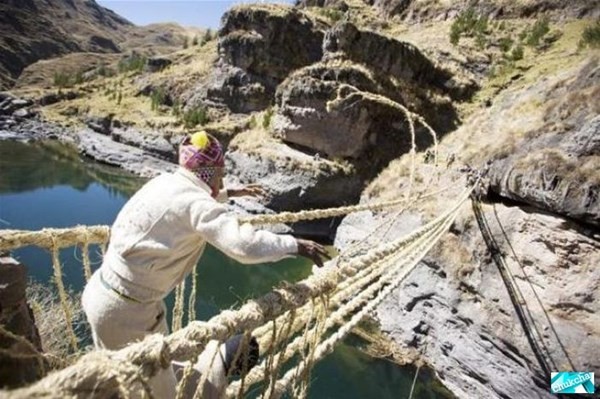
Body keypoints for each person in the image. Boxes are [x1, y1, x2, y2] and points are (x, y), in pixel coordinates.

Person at [82, 131, 329, 398]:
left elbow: (184, 205)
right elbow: (243, 246)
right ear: (208, 172)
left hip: (103, 295)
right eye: (220, 174)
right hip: (128, 316)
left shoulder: (165, 182)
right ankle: (213, 363)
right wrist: (295, 245)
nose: (221, 179)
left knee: (119, 383)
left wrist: (227, 193)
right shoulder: (194, 201)